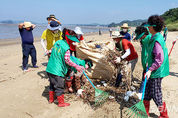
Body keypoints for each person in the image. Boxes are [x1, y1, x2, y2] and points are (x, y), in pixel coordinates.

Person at [46, 35, 85, 107]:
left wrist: (48, 52)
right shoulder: (66, 48)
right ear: (69, 40)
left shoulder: (58, 42)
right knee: (59, 86)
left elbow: (50, 51)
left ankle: (51, 99)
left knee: (52, 84)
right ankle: (61, 103)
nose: (73, 43)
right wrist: (76, 66)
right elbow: (67, 60)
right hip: (57, 70)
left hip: (49, 67)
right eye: (73, 41)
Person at [143, 15, 169, 117]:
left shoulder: (157, 40)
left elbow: (159, 59)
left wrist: (150, 69)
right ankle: (145, 112)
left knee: (156, 95)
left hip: (157, 71)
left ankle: (164, 115)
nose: (148, 28)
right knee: (147, 92)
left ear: (153, 27)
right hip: (153, 70)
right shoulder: (154, 37)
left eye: (149, 26)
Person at [134, 26, 152, 99]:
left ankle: (141, 94)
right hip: (145, 63)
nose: (140, 38)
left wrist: (149, 60)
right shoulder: (144, 40)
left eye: (141, 36)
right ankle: (143, 93)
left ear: (145, 34)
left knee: (145, 79)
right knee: (144, 79)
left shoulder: (150, 39)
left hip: (149, 64)